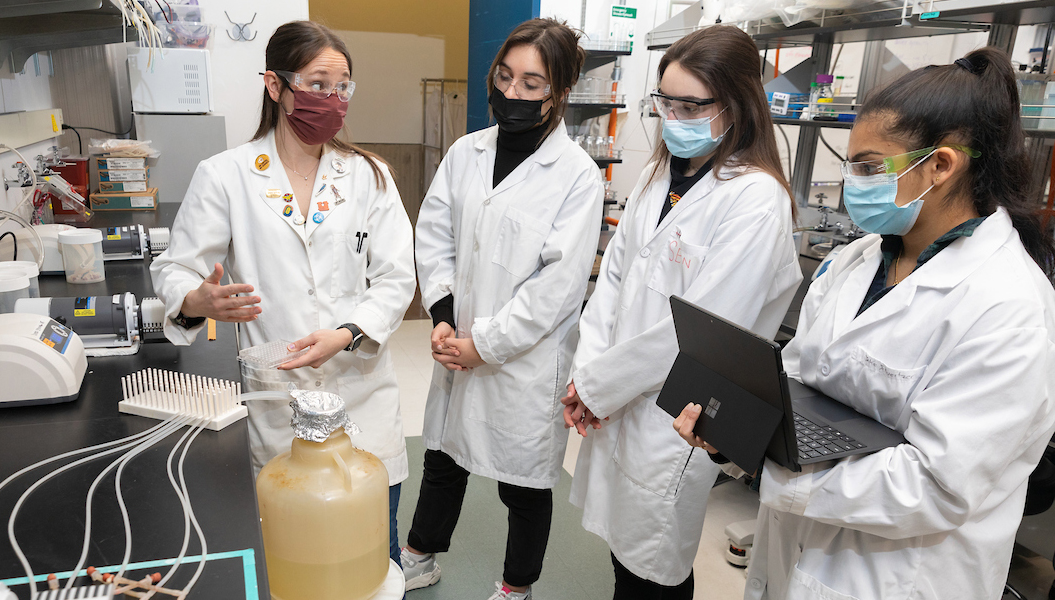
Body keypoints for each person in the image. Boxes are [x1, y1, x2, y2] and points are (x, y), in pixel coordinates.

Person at [674, 47, 1055, 600]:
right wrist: (737, 431)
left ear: (943, 165)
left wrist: (771, 470)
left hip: (896, 576)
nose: (853, 183)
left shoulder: (1009, 305)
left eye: (869, 167)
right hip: (796, 553)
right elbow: (798, 381)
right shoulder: (858, 261)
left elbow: (938, 485)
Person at [150, 20, 416, 569]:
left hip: (361, 391)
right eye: (319, 83)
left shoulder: (371, 176)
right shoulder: (226, 175)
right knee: (296, 558)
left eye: (343, 88)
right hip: (280, 400)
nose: (333, 99)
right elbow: (176, 268)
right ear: (276, 86)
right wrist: (199, 301)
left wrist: (345, 334)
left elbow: (397, 277)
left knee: (372, 553)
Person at [559, 25, 801, 599]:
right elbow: (612, 279)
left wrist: (600, 387)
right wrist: (590, 376)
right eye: (665, 100)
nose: (673, 116)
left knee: (656, 563)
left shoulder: (755, 200)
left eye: (691, 104)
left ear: (738, 103)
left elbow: (698, 330)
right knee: (624, 552)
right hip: (618, 398)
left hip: (680, 415)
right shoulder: (657, 175)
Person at [401, 18, 604, 600]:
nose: (512, 94)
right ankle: (418, 556)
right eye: (505, 76)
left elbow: (557, 287)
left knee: (524, 483)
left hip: (523, 358)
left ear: (559, 92)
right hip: (456, 335)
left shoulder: (577, 177)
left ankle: (518, 587)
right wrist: (443, 317)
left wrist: (484, 343)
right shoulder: (467, 152)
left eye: (532, 84)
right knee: (442, 455)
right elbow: (433, 233)